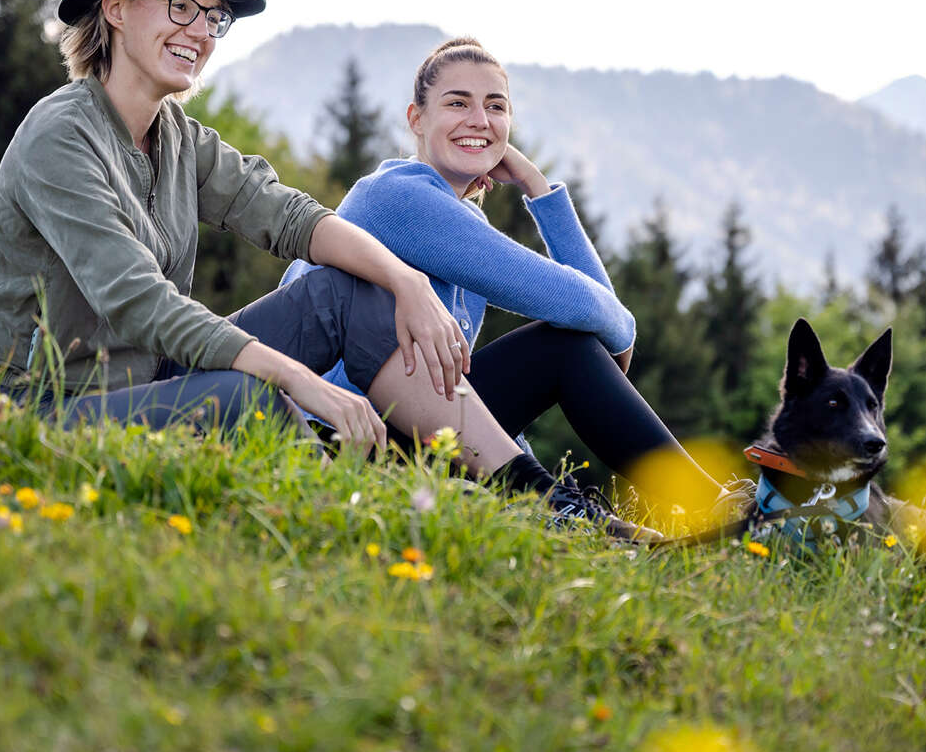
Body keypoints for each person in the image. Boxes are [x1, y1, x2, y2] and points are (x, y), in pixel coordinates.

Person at [0, 0, 644, 535]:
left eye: (214, 17)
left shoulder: (177, 138)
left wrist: (403, 280)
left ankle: (537, 503)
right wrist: (303, 381)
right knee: (244, 393)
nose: (200, 31)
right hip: (46, 407)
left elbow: (290, 216)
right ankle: (370, 509)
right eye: (179, 6)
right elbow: (136, 300)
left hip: (148, 379)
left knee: (349, 289)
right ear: (115, 8)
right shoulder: (62, 136)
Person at [281, 37, 730, 525]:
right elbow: (587, 310)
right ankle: (718, 510)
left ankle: (712, 512)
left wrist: (538, 188)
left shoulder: (453, 214)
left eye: (496, 107)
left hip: (408, 428)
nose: (480, 120)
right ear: (416, 119)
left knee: (569, 347)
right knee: (562, 350)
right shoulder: (395, 197)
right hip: (338, 434)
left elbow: (599, 311)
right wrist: (616, 330)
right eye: (458, 103)